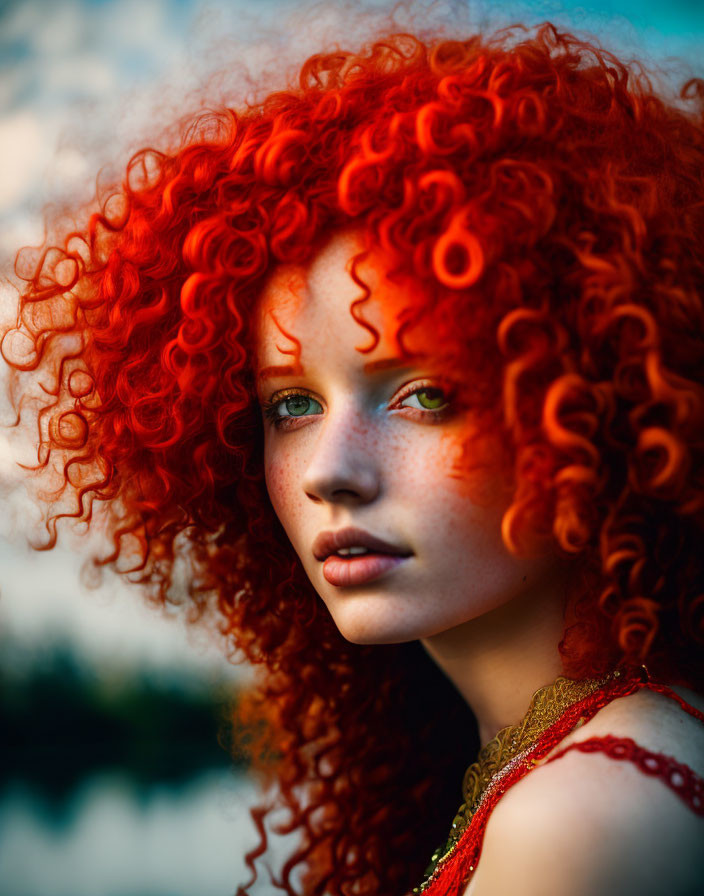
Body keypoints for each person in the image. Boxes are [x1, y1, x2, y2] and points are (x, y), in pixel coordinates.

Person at [3, 19, 703, 896]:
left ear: (593, 406)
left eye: (426, 393)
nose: (330, 471)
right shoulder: (563, 754)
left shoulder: (582, 820)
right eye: (291, 404)